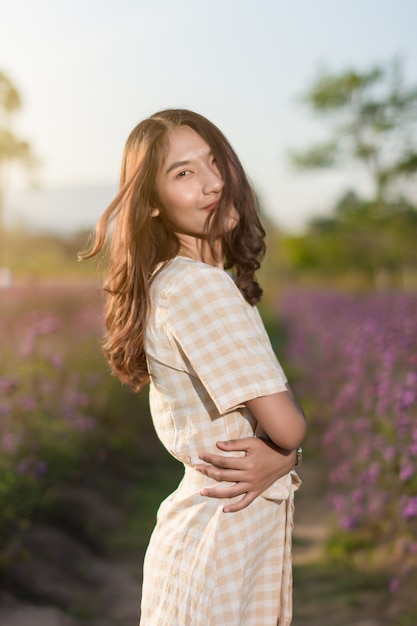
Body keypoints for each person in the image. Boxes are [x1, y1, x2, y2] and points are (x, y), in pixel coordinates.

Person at [80, 109, 306, 625]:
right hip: (219, 545)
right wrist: (288, 455)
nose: (212, 184)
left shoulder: (173, 280)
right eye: (183, 173)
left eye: (212, 161)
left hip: (210, 541)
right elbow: (288, 427)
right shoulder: (201, 286)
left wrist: (285, 456)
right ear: (153, 205)